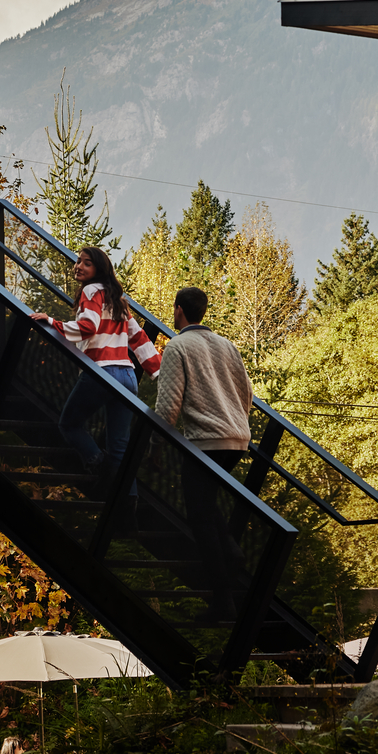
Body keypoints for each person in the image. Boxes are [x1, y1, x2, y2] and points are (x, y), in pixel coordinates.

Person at [154, 286, 253, 623]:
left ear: (179, 310)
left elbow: (168, 405)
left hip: (206, 442)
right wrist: (239, 423)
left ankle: (223, 598)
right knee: (206, 505)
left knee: (199, 516)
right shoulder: (227, 345)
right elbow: (245, 392)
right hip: (236, 438)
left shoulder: (177, 346)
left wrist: (154, 447)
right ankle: (232, 552)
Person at [32, 245, 160, 503]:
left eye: (86, 263)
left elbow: (88, 327)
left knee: (69, 424)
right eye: (78, 261)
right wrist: (157, 371)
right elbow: (139, 338)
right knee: (120, 451)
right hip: (127, 376)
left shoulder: (91, 291)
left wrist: (53, 322)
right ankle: (128, 512)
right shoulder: (119, 301)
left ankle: (102, 469)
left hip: (103, 372)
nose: (79, 266)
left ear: (98, 270)